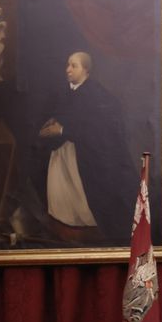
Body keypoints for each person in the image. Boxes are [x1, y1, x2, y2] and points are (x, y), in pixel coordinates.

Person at [36, 52, 137, 243]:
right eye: (67, 65)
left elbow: (98, 127)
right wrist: (51, 124)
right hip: (62, 153)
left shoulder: (98, 94)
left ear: (86, 70)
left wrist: (63, 129)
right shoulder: (65, 91)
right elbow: (60, 113)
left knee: (81, 202)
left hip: (84, 155)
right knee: (61, 200)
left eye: (73, 66)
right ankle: (63, 229)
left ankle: (85, 232)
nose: (68, 69)